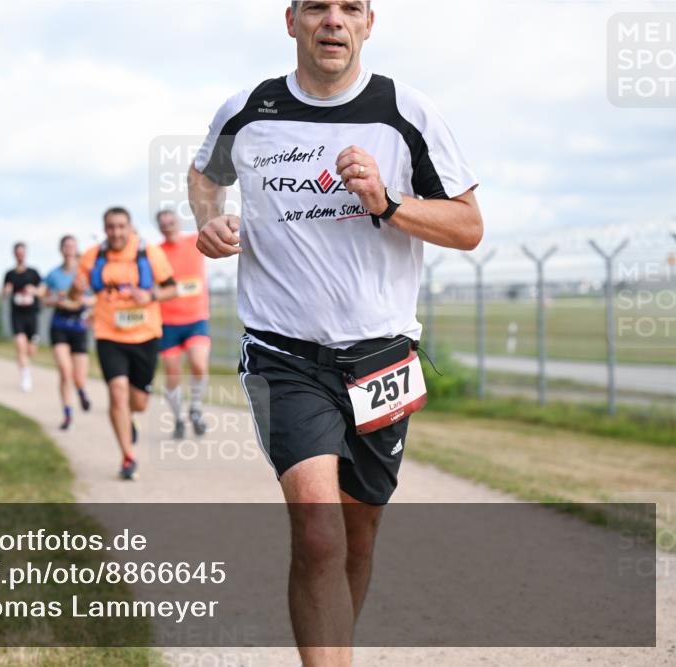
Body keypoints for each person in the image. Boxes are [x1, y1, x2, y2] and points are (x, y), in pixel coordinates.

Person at [188, 2, 484, 664]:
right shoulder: (250, 111)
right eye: (317, 6)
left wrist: (388, 202)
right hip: (283, 354)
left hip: (382, 358)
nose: (333, 20)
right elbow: (206, 175)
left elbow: (468, 226)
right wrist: (210, 219)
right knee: (319, 532)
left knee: (357, 533)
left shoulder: (406, 113)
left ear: (369, 24)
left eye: (350, 7)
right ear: (290, 20)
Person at [72, 207, 177, 480]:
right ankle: (128, 456)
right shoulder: (92, 256)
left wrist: (150, 295)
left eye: (121, 226)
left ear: (130, 228)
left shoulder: (149, 252)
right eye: (111, 227)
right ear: (104, 229)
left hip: (146, 335)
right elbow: (76, 293)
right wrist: (75, 288)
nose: (116, 232)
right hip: (109, 335)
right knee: (117, 391)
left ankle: (129, 417)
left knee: (139, 403)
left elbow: (172, 288)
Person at [156, 209, 211, 439]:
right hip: (168, 322)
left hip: (196, 318)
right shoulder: (156, 252)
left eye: (171, 222)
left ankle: (195, 409)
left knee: (199, 364)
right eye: (163, 224)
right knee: (172, 374)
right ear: (159, 228)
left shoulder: (195, 242)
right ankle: (178, 419)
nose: (168, 226)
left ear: (178, 223)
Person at [44, 234, 95, 430]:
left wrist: (84, 301)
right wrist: (55, 300)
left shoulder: (85, 273)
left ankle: (81, 392)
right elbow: (45, 298)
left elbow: (97, 297)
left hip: (79, 327)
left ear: (76, 249)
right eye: (66, 246)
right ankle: (67, 414)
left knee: (79, 378)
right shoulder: (53, 274)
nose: (69, 249)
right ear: (61, 249)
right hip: (59, 325)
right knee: (65, 372)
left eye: (72, 246)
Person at [3, 242, 43, 392]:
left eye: (22, 252)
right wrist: (6, 291)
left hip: (32, 314)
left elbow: (42, 291)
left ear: (25, 253)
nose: (20, 255)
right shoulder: (10, 274)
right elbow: (3, 294)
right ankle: (25, 377)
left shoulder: (33, 273)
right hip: (17, 314)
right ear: (14, 254)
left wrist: (34, 290)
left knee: (30, 350)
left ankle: (26, 364)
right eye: (18, 252)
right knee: (20, 346)